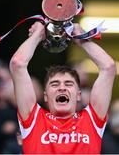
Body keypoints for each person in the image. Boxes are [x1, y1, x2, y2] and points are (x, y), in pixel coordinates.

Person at [9, 21, 116, 154]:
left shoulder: (91, 120)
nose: (62, 88)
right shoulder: (34, 118)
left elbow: (109, 67)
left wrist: (80, 38)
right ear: (46, 96)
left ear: (78, 95)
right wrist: (37, 35)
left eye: (68, 84)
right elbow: (17, 64)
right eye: (55, 84)